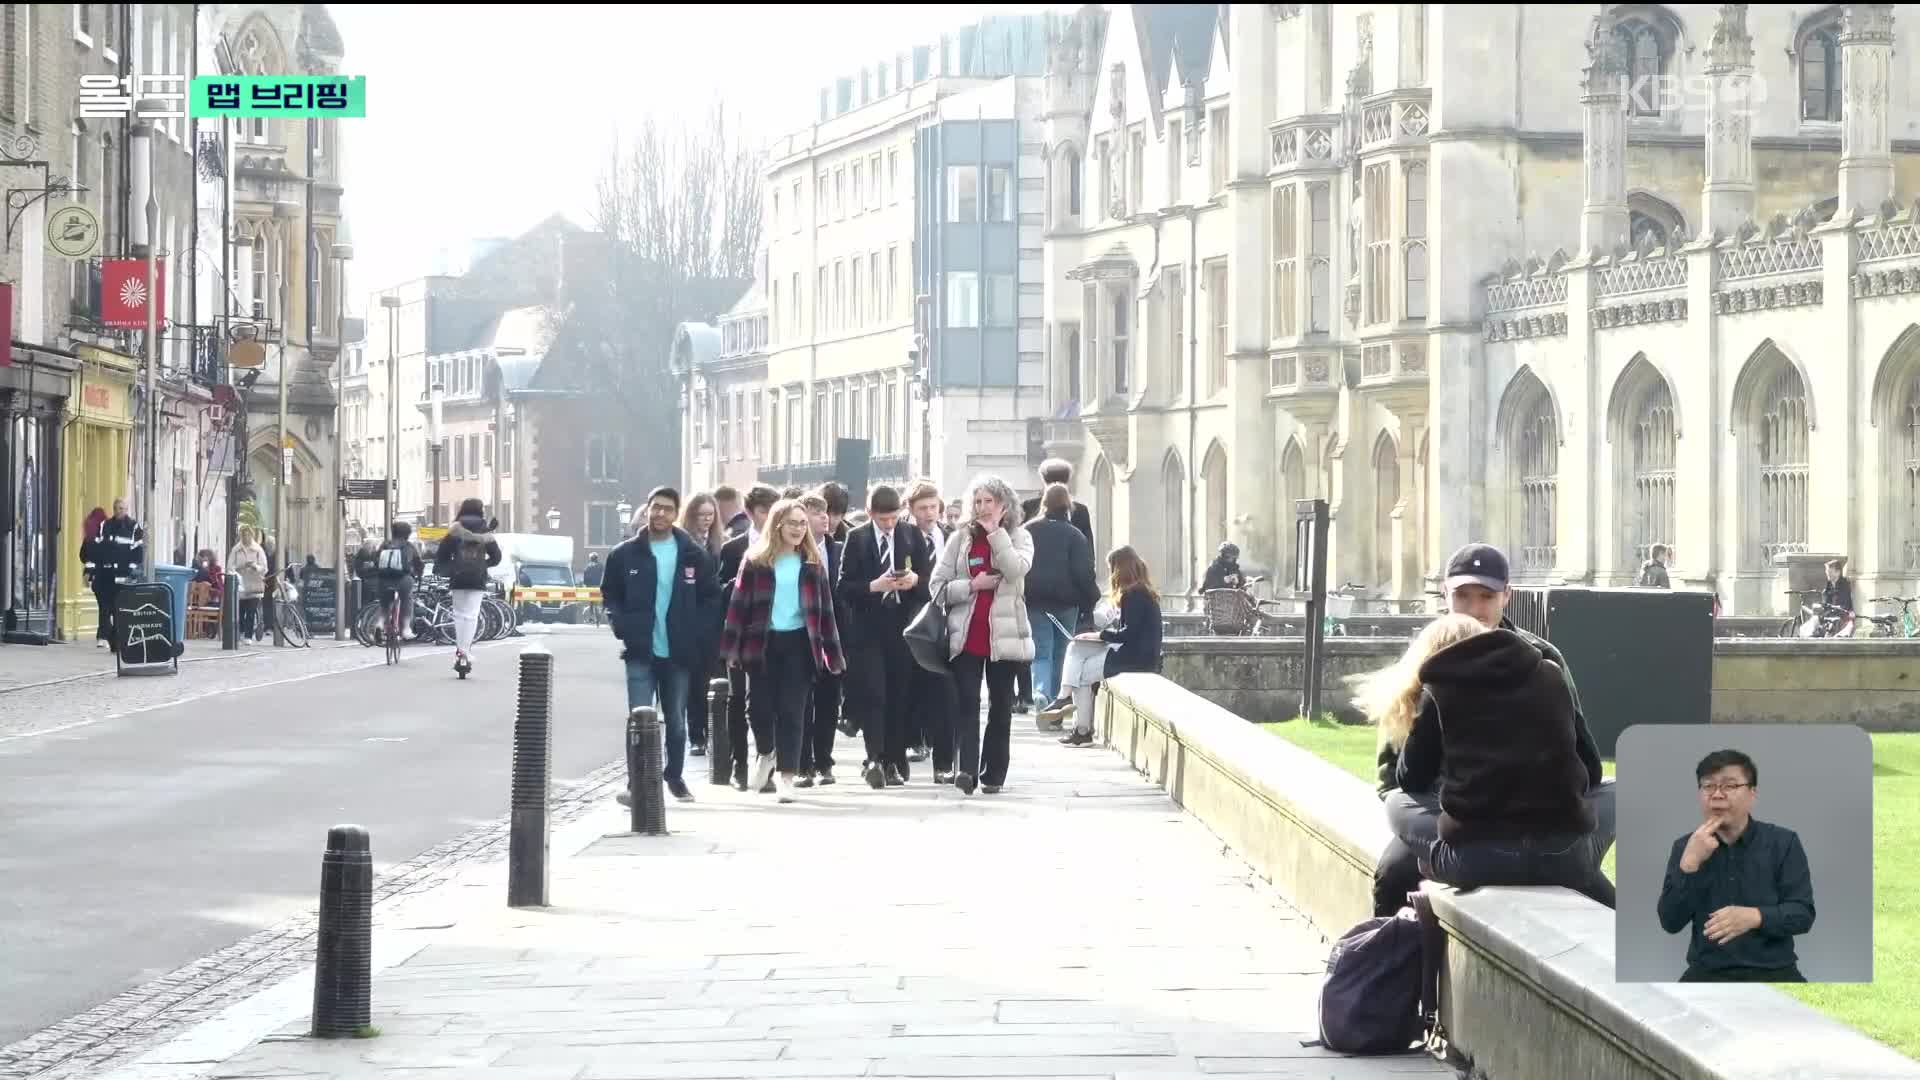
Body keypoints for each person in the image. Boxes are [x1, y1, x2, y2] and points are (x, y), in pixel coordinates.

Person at [1370, 542, 1618, 917]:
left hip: (1536, 817)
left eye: (1486, 596)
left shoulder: (1544, 657)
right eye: (1463, 596)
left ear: (1507, 596)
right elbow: (1396, 773)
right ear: (1445, 594)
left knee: (1594, 888)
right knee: (1391, 873)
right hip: (1450, 811)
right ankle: (1386, 958)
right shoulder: (1428, 654)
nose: (1474, 608)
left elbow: (1577, 752)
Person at [718, 498, 847, 803]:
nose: (799, 529)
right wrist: (731, 649)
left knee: (792, 712)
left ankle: (786, 776)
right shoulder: (755, 561)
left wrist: (834, 656)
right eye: (793, 523)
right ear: (778, 525)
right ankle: (766, 751)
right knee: (758, 709)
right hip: (761, 643)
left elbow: (825, 613)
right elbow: (738, 607)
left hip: (800, 645)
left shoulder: (813, 564)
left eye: (803, 524)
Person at [1657, 749, 1815, 983]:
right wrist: (1689, 864)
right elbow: (1670, 922)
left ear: (1752, 794)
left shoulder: (1783, 842)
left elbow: (1803, 915)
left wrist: (1755, 917)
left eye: (1729, 786)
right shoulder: (1686, 847)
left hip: (1775, 971)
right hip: (1707, 973)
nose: (1717, 795)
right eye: (1708, 786)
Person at [603, 486, 719, 803]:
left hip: (679, 652)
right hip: (640, 650)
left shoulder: (694, 554)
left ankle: (675, 777)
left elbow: (711, 599)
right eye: (655, 507)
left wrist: (697, 634)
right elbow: (610, 594)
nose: (660, 514)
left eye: (667, 508)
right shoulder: (625, 554)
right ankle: (635, 783)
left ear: (676, 512)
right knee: (639, 720)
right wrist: (621, 625)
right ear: (648, 509)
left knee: (676, 721)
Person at [927, 474, 1034, 795]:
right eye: (978, 502)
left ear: (1004, 505)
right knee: (966, 703)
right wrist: (972, 585)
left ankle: (993, 774)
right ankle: (968, 771)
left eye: (990, 501)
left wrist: (996, 535)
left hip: (1005, 636)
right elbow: (937, 586)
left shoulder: (1020, 537)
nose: (983, 508)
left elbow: (1016, 570)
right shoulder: (959, 539)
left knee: (1001, 706)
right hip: (967, 635)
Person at [838, 483, 934, 789]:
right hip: (868, 629)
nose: (889, 525)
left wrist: (915, 580)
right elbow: (843, 587)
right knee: (875, 695)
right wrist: (873, 586)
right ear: (870, 514)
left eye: (893, 518)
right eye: (883, 520)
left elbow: (930, 579)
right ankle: (875, 758)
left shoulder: (911, 534)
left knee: (898, 696)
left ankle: (894, 760)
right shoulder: (857, 538)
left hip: (901, 627)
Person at [1058, 545, 1163, 746]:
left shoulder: (1133, 595)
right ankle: (1065, 697)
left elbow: (1128, 634)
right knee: (1076, 647)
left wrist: (1100, 635)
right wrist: (1095, 636)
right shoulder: (1141, 591)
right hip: (1137, 654)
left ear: (1119, 569)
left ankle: (1081, 729)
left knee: (1080, 675)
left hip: (1134, 658)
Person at [716, 484, 780, 790]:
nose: (769, 517)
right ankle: (739, 765)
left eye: (773, 510)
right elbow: (720, 595)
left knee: (764, 702)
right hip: (739, 633)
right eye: (764, 511)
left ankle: (765, 763)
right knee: (737, 698)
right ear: (750, 513)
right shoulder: (733, 549)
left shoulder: (785, 549)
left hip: (771, 637)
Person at [1024, 483, 1099, 713]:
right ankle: (1057, 701)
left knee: (1041, 651)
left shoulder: (1028, 530)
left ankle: (1040, 692)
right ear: (1068, 505)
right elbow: (1083, 572)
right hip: (1067, 603)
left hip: (1035, 602)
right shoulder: (1074, 535)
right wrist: (1091, 598)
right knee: (1062, 652)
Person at [905, 479, 957, 778]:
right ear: (911, 510)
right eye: (922, 508)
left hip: (948, 624)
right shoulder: (904, 537)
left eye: (933, 507)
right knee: (915, 686)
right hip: (915, 624)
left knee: (945, 690)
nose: (929, 514)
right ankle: (915, 739)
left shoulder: (952, 537)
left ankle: (944, 758)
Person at [796, 492, 847, 787]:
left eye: (825, 512)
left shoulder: (839, 549)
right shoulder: (794, 554)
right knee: (802, 705)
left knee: (829, 704)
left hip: (834, 638)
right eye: (815, 513)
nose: (824, 517)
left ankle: (824, 762)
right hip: (802, 639)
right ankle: (803, 764)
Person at [679, 492, 728, 756]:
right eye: (701, 515)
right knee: (695, 683)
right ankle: (696, 734)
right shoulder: (683, 543)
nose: (707, 521)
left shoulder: (719, 543)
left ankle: (713, 733)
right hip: (692, 620)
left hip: (717, 622)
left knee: (715, 680)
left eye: (711, 515)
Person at [432, 498, 503, 677]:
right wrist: (483, 564)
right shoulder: (485, 531)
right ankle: (465, 651)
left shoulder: (455, 529)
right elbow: (496, 556)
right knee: (471, 615)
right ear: (480, 511)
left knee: (459, 614)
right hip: (477, 577)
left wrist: (451, 568)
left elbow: (442, 554)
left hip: (458, 577)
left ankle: (459, 650)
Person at [83, 499, 144, 649]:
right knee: (104, 607)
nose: (119, 511)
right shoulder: (105, 526)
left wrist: (131, 570)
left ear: (127, 509)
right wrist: (91, 571)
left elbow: (138, 552)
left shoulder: (134, 527)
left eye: (122, 508)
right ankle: (103, 636)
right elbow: (96, 551)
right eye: (116, 508)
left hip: (123, 576)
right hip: (105, 574)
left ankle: (116, 638)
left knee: (119, 608)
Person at [374, 522, 425, 640]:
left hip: (384, 579)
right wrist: (419, 575)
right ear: (407, 533)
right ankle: (406, 628)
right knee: (407, 599)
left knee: (384, 604)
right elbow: (419, 563)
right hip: (403, 579)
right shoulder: (409, 546)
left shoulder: (385, 545)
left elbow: (376, 560)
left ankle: (379, 624)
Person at [228, 527, 269, 643]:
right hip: (241, 584)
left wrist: (255, 567)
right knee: (240, 610)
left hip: (255, 583)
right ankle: (240, 632)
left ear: (252, 536)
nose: (246, 537)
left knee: (251, 611)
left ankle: (248, 636)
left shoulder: (258, 550)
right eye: (244, 535)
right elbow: (230, 567)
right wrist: (239, 567)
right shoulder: (236, 549)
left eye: (248, 535)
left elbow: (265, 568)